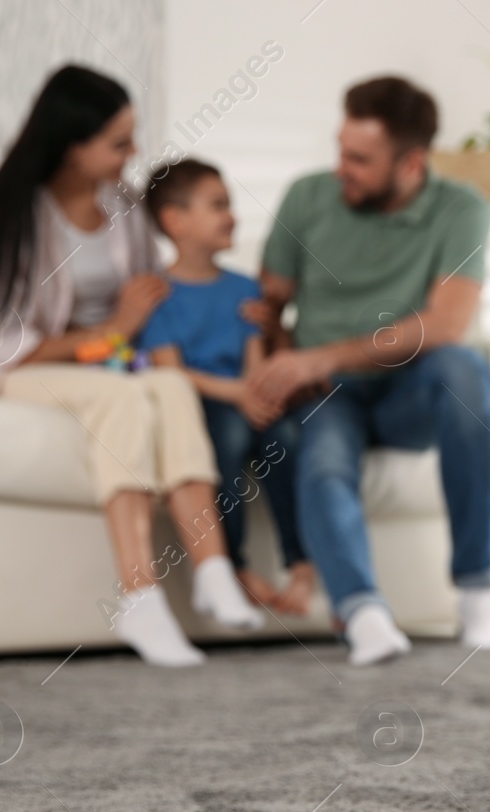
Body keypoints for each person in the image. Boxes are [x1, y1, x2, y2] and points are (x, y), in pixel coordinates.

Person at [0, 65, 263, 667]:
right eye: (118, 142)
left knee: (167, 384)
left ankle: (215, 570)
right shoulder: (18, 220)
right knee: (125, 398)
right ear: (72, 147)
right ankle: (139, 597)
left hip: (110, 364)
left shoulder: (123, 209)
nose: (133, 153)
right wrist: (107, 332)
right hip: (26, 370)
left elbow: (153, 296)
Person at [248, 75, 490, 666]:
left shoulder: (460, 209)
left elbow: (446, 323)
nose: (343, 168)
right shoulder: (306, 198)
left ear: (411, 163)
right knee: (325, 460)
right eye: (341, 151)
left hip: (410, 388)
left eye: (360, 159)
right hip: (329, 394)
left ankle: (476, 593)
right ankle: (364, 614)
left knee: (464, 370)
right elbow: (266, 305)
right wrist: (288, 361)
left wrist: (323, 353)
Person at [138, 158, 317, 616]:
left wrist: (255, 394)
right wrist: (239, 396)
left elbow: (253, 363)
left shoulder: (245, 289)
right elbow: (170, 372)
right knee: (231, 435)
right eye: (217, 205)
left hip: (243, 398)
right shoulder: (157, 294)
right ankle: (232, 564)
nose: (231, 215)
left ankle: (301, 564)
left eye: (230, 204)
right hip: (201, 407)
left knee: (286, 436)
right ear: (175, 221)